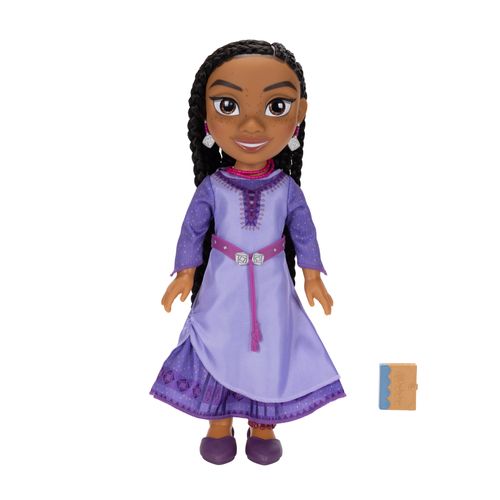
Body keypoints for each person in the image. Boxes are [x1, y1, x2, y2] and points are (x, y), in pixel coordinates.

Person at [150, 39, 346, 465]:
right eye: (228, 106)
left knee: (271, 348)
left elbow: (304, 231)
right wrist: (185, 272)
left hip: (273, 286)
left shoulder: (286, 189)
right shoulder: (214, 187)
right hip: (222, 285)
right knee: (218, 340)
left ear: (299, 114)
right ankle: (219, 422)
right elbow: (192, 229)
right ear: (206, 117)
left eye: (276, 107)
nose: (252, 125)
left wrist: (312, 275)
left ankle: (263, 425)